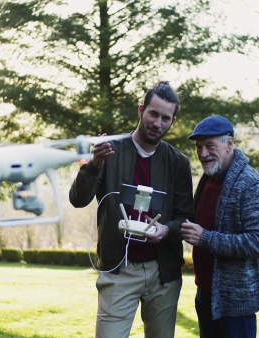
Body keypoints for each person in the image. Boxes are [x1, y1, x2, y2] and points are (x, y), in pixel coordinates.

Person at [69, 81, 194, 338]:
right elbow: (78, 199)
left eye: (165, 118)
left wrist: (165, 230)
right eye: (153, 114)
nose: (157, 123)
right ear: (141, 110)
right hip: (118, 270)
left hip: (163, 274)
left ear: (173, 121)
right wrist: (94, 164)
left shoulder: (178, 163)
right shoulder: (109, 151)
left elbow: (185, 219)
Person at [181, 115, 259, 338]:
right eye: (199, 147)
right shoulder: (208, 179)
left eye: (210, 146)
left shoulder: (249, 182)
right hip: (205, 294)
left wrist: (205, 238)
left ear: (229, 143)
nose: (203, 154)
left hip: (235, 303)